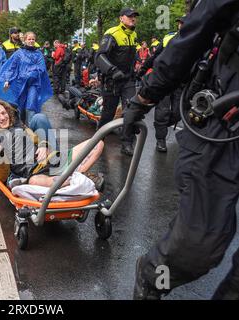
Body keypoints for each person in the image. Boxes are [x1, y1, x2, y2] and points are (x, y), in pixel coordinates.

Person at [121, 0, 239, 300]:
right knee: (200, 242)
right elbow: (186, 43)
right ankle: (153, 276)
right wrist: (145, 96)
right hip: (226, 120)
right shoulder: (117, 35)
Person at [0, 100, 105, 189]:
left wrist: (42, 145)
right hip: (34, 172)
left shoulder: (20, 128)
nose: (2, 117)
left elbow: (37, 139)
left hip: (52, 160)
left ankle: (78, 175)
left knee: (97, 143)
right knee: (34, 182)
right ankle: (82, 178)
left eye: (3, 113)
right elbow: (2, 176)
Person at [137, 16, 186, 152]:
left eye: (184, 23)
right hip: (165, 80)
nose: (180, 25)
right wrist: (143, 69)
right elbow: (154, 57)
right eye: (179, 23)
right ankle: (161, 140)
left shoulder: (195, 39)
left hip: (181, 83)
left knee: (178, 112)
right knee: (162, 111)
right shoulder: (168, 38)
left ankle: (161, 125)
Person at [95, 7, 140, 156]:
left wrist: (137, 68)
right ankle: (97, 141)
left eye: (134, 16)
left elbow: (131, 57)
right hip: (112, 80)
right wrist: (113, 71)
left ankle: (127, 143)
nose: (133, 18)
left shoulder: (134, 34)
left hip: (128, 80)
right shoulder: (112, 33)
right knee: (108, 113)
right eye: (129, 16)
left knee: (131, 110)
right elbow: (99, 56)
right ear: (121, 18)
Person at [0, 32, 53, 126]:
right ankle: (22, 126)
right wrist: (7, 80)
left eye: (33, 39)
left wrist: (30, 73)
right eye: (29, 39)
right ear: (25, 40)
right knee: (21, 107)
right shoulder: (19, 53)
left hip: (33, 84)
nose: (31, 41)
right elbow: (11, 67)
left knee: (31, 105)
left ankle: (32, 129)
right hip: (20, 85)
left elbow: (41, 68)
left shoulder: (38, 54)